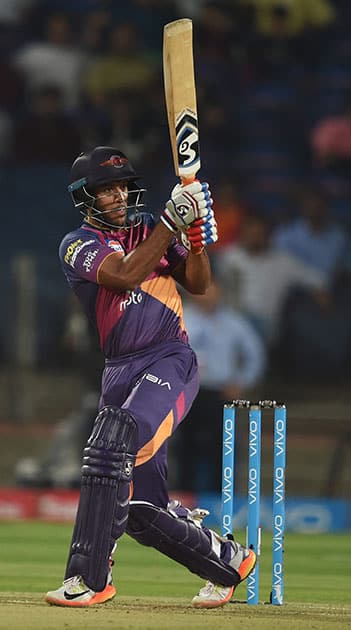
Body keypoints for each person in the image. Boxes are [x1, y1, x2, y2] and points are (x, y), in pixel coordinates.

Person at [45, 146, 256, 609]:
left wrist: (195, 239)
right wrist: (170, 224)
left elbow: (199, 284)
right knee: (142, 510)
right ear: (86, 198)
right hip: (118, 371)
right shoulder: (77, 244)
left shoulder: (150, 232)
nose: (118, 195)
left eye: (121, 186)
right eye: (106, 190)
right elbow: (122, 275)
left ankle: (89, 579)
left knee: (110, 445)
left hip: (169, 359)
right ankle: (227, 559)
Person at [172, 278, 266, 492]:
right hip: (187, 392)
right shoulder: (178, 316)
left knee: (223, 448)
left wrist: (242, 381)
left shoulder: (234, 322)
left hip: (220, 393)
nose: (207, 296)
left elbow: (256, 354)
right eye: (202, 291)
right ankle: (183, 500)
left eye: (211, 291)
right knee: (185, 447)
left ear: (220, 293)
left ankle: (220, 499)